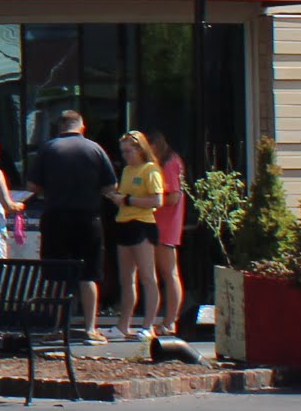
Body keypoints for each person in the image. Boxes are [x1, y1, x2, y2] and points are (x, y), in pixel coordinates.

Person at [24, 110, 118, 338]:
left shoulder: (48, 148)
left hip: (56, 217)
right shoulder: (95, 149)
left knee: (56, 275)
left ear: (60, 127)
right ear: (81, 126)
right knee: (89, 275)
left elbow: (31, 186)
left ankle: (56, 327)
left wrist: (54, 191)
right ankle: (90, 328)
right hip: (88, 218)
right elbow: (110, 187)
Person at [110, 131, 167, 341]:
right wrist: (116, 197)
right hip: (123, 223)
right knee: (126, 278)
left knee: (147, 277)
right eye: (123, 151)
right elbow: (124, 197)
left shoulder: (150, 170)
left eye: (128, 150)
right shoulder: (126, 170)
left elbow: (157, 200)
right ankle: (123, 324)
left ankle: (148, 325)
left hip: (142, 224)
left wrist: (127, 200)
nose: (125, 155)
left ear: (140, 149)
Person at [147, 128, 192, 338]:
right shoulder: (159, 163)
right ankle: (164, 319)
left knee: (169, 272)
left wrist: (146, 201)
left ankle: (171, 320)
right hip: (156, 223)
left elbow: (173, 196)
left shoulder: (171, 163)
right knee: (161, 272)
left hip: (166, 224)